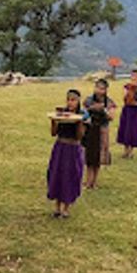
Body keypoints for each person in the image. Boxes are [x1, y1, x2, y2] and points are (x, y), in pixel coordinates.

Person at [48, 89, 87, 218]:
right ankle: (57, 207)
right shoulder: (62, 113)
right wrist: (54, 121)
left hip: (73, 148)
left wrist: (80, 123)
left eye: (73, 100)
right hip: (60, 147)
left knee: (70, 176)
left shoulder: (82, 114)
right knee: (57, 174)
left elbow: (80, 136)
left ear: (78, 101)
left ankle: (66, 208)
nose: (70, 103)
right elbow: (54, 133)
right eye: (68, 100)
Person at [83, 79, 117, 190]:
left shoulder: (109, 102)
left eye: (102, 88)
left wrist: (103, 110)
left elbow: (111, 117)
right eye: (97, 87)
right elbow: (83, 113)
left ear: (106, 90)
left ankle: (94, 181)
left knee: (98, 156)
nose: (99, 91)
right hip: (90, 129)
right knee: (89, 156)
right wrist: (92, 108)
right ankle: (88, 181)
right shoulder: (88, 100)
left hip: (102, 129)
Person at [117, 69, 137, 158]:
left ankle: (131, 151)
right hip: (127, 110)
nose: (134, 77)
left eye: (136, 75)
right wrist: (129, 91)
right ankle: (125, 150)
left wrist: (135, 103)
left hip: (136, 111)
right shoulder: (127, 86)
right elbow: (125, 99)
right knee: (125, 128)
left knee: (134, 130)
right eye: (132, 75)